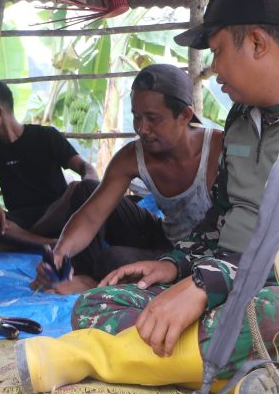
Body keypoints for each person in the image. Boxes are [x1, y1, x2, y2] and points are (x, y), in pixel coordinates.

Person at [14, 0, 279, 394]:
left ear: (256, 43)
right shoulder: (239, 120)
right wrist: (176, 265)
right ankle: (241, 377)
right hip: (217, 281)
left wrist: (210, 283)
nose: (214, 69)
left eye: (217, 51)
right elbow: (220, 218)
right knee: (99, 304)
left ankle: (97, 356)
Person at [31, 64, 223, 294]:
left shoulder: (220, 149)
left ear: (184, 115)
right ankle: (76, 276)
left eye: (153, 118)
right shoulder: (133, 156)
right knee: (85, 190)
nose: (142, 129)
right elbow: (92, 216)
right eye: (136, 117)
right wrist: (60, 254)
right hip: (165, 238)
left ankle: (94, 282)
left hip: (205, 254)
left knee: (114, 260)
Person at [0, 80, 98, 252]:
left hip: (57, 214)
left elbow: (85, 168)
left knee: (75, 188)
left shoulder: (46, 136)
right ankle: (49, 244)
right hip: (19, 220)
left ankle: (16, 241)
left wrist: (89, 190)